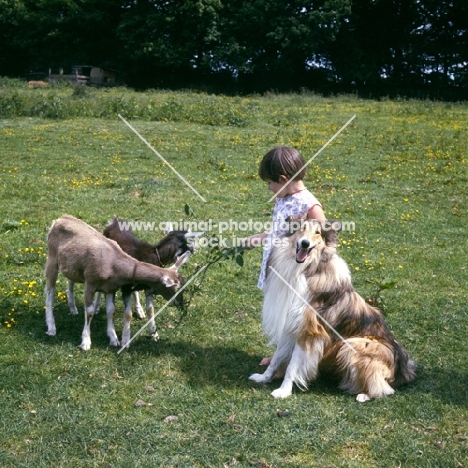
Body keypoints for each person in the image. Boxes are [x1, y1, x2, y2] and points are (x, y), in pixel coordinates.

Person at [242, 146, 326, 369]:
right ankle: (280, 355)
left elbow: (320, 240)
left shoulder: (310, 206)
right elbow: (280, 230)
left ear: (283, 178)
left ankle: (285, 361)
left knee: (292, 315)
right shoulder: (284, 197)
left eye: (270, 183)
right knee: (281, 311)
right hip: (277, 268)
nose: (269, 188)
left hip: (295, 274)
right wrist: (260, 237)